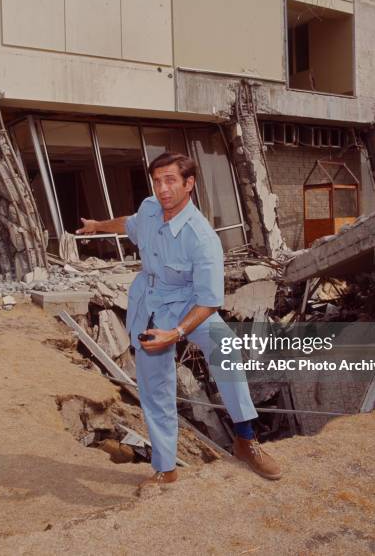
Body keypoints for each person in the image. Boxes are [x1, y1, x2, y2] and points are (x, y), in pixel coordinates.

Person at [76, 152, 281, 491]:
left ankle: (246, 441)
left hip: (192, 307)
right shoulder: (150, 208)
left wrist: (177, 333)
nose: (162, 189)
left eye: (170, 180)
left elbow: (209, 301)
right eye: (157, 181)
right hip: (151, 305)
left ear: (189, 184)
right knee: (155, 388)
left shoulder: (202, 238)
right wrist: (98, 226)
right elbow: (129, 223)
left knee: (226, 349)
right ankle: (166, 468)